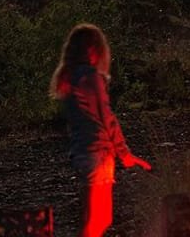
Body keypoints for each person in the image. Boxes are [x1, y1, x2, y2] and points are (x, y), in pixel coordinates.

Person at [50, 23, 152, 237]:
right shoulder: (90, 78)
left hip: (84, 153)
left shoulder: (71, 77)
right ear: (93, 49)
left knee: (98, 220)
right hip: (97, 155)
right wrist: (125, 154)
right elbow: (107, 118)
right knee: (95, 223)